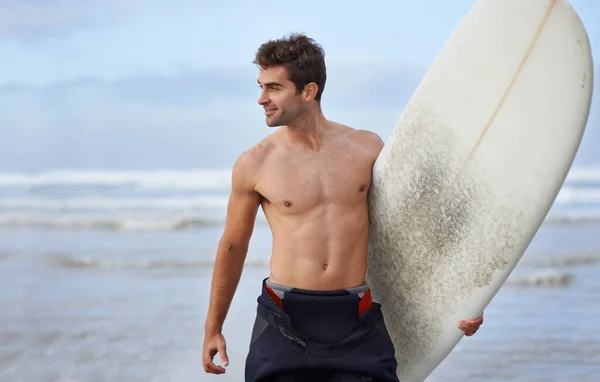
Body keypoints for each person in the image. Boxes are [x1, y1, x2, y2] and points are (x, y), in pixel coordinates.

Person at [202, 33, 484, 382]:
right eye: (260, 87)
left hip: (356, 315)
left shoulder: (367, 148)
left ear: (308, 91)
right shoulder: (255, 164)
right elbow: (233, 247)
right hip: (284, 316)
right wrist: (213, 327)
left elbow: (421, 227)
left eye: (273, 88)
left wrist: (466, 300)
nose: (261, 99)